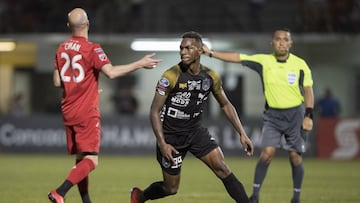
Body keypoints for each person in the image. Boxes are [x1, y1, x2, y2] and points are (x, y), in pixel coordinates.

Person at [48, 7, 161, 203]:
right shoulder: (92, 48)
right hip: (86, 113)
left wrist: (86, 89)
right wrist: (139, 63)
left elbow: (58, 82)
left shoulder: (61, 48)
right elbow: (112, 72)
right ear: (88, 24)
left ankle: (86, 201)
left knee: (81, 159)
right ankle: (60, 192)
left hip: (68, 111)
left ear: (68, 26)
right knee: (92, 160)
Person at [130, 31, 254, 203]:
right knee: (170, 188)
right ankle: (140, 196)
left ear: (200, 50)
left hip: (195, 132)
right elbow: (154, 111)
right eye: (181, 48)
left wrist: (242, 133)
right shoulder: (170, 76)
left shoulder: (210, 76)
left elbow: (225, 104)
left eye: (188, 48)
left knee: (222, 168)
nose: (183, 52)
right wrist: (162, 143)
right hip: (171, 137)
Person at [202, 28, 314, 203]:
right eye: (278, 39)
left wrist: (309, 115)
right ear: (272, 42)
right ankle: (255, 195)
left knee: (294, 156)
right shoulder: (264, 61)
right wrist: (210, 54)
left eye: (285, 39)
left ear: (290, 43)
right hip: (272, 115)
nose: (282, 42)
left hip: (296, 115)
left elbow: (308, 89)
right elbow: (238, 57)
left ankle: (296, 197)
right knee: (267, 153)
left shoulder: (300, 64)